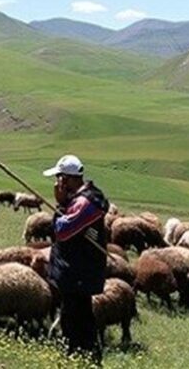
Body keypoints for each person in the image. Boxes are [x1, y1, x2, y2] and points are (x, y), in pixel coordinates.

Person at [43, 154, 109, 365]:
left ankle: (82, 359)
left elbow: (63, 231)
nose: (57, 183)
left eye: (59, 178)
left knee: (76, 321)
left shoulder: (85, 203)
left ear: (68, 179)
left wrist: (60, 205)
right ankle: (80, 358)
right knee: (75, 318)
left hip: (78, 273)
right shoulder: (82, 200)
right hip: (76, 272)